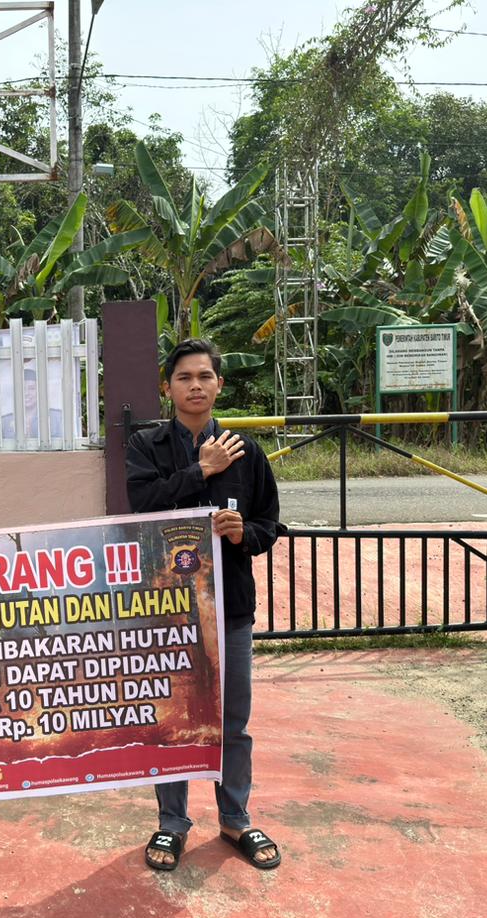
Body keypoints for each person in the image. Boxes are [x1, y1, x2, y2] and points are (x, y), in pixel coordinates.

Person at [125, 338, 285, 873]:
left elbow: (270, 524)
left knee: (232, 721)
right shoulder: (146, 446)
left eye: (205, 376)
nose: (195, 386)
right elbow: (142, 505)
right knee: (173, 718)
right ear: (167, 388)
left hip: (230, 609)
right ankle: (172, 823)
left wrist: (244, 535)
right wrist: (201, 470)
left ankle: (235, 818)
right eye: (184, 377)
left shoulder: (247, 451)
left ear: (219, 385)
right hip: (166, 609)